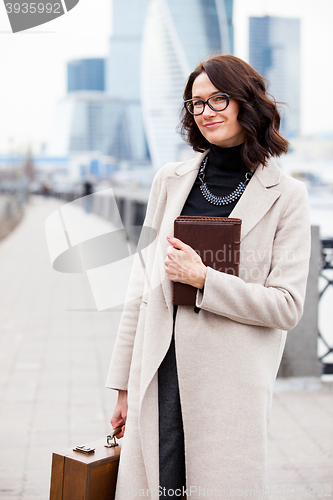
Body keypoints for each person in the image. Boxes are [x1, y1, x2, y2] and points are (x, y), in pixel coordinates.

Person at [106, 55, 311, 499]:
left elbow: (287, 305)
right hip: (159, 368)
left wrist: (204, 280)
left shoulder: (287, 197)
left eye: (219, 98)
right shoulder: (170, 180)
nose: (207, 112)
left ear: (247, 103)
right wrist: (122, 382)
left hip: (230, 381)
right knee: (158, 489)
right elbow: (141, 287)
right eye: (197, 104)